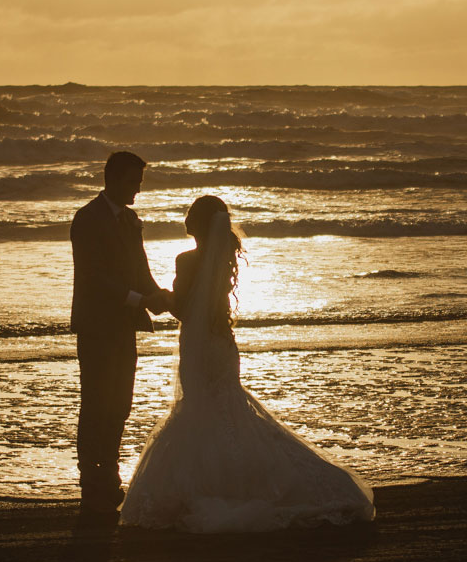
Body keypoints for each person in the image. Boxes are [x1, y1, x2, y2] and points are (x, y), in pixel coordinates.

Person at [121, 194, 374, 533]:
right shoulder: (223, 256)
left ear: (193, 223)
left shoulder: (185, 260)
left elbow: (182, 307)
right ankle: (245, 480)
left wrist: (156, 299)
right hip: (223, 345)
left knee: (198, 407)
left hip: (198, 347)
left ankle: (209, 486)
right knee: (228, 407)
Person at [68, 151, 171, 518]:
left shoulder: (130, 220)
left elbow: (139, 268)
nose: (137, 191)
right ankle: (89, 482)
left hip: (125, 323)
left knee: (121, 401)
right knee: (95, 401)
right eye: (132, 183)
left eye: (139, 184)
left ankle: (108, 474)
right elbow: (95, 277)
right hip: (96, 325)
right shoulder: (86, 219)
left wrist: (161, 297)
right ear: (111, 180)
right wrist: (139, 299)